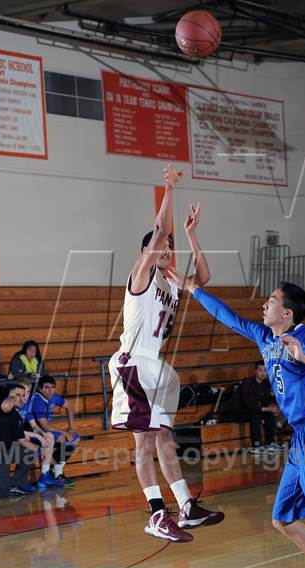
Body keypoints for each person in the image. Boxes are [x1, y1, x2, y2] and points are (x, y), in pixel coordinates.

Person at [168, 273, 305, 568]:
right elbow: (228, 317)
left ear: (287, 313)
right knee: (282, 519)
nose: (265, 305)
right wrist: (194, 290)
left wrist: (304, 357)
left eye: (272, 300)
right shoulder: (264, 336)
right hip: (301, 437)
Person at [109, 164, 224, 543]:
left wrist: (191, 236)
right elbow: (160, 232)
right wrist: (169, 189)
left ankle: (186, 506)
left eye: (170, 249)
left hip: (154, 367)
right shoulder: (140, 275)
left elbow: (204, 278)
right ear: (147, 252)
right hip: (133, 363)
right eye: (161, 247)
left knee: (164, 439)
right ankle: (157, 514)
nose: (166, 250)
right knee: (145, 440)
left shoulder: (171, 283)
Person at [0, 383, 38, 498]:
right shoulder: (4, 410)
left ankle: (16, 484)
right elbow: (6, 405)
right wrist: (14, 397)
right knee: (3, 492)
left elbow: (23, 441)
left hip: (5, 453)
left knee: (28, 452)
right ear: (9, 396)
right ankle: (6, 489)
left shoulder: (16, 416)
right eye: (18, 395)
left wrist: (40, 450)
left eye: (23, 395)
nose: (22, 398)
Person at [31, 376, 79, 486]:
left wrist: (71, 427)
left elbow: (69, 406)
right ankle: (51, 473)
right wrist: (65, 432)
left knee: (75, 438)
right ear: (40, 388)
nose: (50, 390)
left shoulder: (54, 397)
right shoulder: (37, 400)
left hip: (47, 432)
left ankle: (57, 474)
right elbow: (45, 426)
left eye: (52, 387)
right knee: (62, 437)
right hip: (35, 432)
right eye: (47, 387)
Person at [225, 360, 282, 453]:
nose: (263, 373)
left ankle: (270, 443)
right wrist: (269, 408)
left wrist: (274, 408)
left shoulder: (266, 384)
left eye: (265, 370)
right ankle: (256, 446)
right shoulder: (247, 384)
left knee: (269, 415)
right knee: (255, 415)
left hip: (252, 410)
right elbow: (250, 406)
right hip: (237, 412)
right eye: (260, 370)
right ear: (255, 371)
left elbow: (268, 401)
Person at [17, 379, 64, 489]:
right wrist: (38, 436)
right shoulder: (11, 405)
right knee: (31, 447)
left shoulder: (27, 405)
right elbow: (14, 431)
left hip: (24, 436)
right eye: (23, 392)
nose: (26, 395)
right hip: (13, 438)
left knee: (49, 436)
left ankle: (44, 475)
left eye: (28, 392)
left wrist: (43, 435)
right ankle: (22, 481)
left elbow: (34, 426)